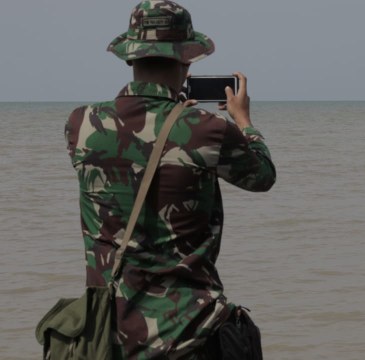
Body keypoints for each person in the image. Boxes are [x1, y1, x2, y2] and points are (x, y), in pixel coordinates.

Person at [63, 1, 276, 358]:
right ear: (187, 60)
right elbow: (263, 176)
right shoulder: (206, 129)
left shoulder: (80, 124)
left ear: (130, 58)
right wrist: (244, 122)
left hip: (111, 337)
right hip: (189, 337)